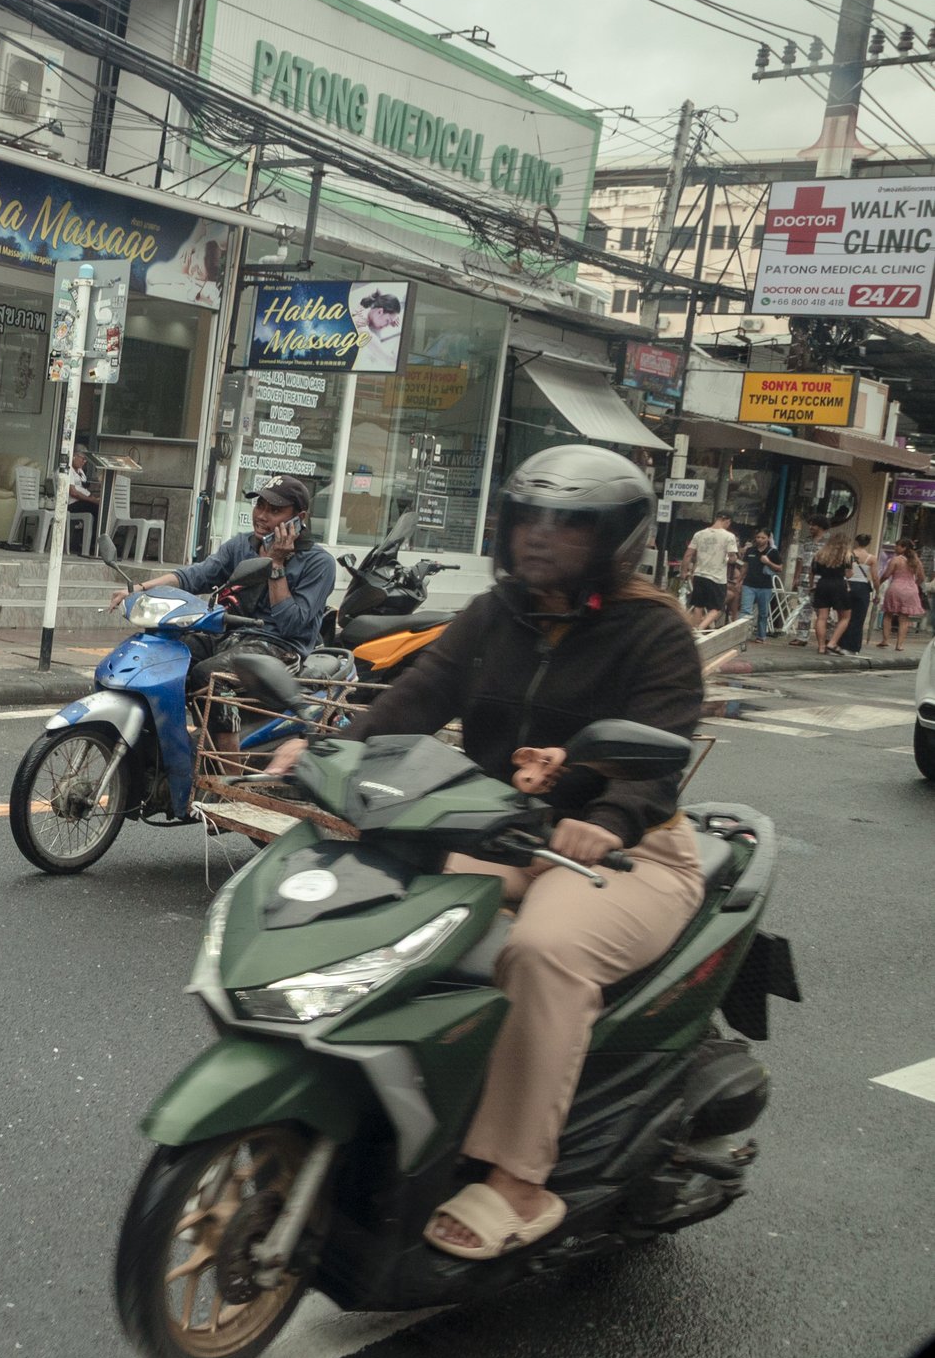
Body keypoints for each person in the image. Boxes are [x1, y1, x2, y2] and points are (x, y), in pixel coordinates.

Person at [268, 446, 705, 1261]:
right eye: (530, 519)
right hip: (504, 829)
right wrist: (329, 753)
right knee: (385, 903)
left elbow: (660, 754)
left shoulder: (654, 632)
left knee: (543, 949)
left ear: (612, 539)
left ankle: (518, 1179)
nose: (541, 538)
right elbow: (419, 694)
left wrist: (609, 815)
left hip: (629, 853)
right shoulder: (497, 611)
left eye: (568, 525)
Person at [120, 474, 336, 661]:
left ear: (298, 518)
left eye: (275, 510)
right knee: (164, 655)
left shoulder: (319, 563)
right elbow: (196, 576)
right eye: (260, 505)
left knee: (206, 674)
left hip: (279, 648)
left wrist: (276, 563)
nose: (261, 516)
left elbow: (291, 624)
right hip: (231, 635)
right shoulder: (243, 545)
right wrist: (141, 588)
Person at [679, 511, 737, 631]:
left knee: (698, 605)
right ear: (727, 520)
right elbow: (732, 558)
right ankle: (700, 628)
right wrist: (732, 558)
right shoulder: (729, 536)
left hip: (699, 575)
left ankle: (693, 631)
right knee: (717, 607)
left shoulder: (699, 534)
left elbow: (688, 555)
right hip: (717, 577)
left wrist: (683, 572)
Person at [809, 532, 852, 655]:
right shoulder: (847, 555)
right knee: (845, 616)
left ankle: (821, 646)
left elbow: (812, 572)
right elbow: (848, 574)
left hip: (822, 584)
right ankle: (832, 643)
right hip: (838, 584)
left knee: (822, 617)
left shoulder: (820, 554)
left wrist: (812, 585)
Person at [880, 539, 926, 651]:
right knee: (904, 619)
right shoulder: (916, 561)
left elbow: (887, 574)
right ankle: (899, 645)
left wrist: (879, 582)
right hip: (910, 590)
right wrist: (914, 584)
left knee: (888, 614)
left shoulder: (896, 560)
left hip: (895, 587)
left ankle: (885, 640)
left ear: (904, 547)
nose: (895, 548)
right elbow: (922, 577)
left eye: (897, 546)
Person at [738, 527, 781, 641]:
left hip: (765, 586)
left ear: (768, 538)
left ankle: (761, 635)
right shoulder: (750, 550)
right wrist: (740, 580)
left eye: (763, 537)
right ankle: (741, 635)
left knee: (763, 612)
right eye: (758, 537)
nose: (760, 540)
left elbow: (779, 568)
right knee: (745, 610)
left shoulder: (773, 552)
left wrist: (768, 562)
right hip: (749, 584)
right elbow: (745, 566)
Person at [843, 540, 877, 655]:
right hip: (862, 587)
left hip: (848, 585)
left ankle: (841, 643)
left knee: (844, 617)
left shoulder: (848, 554)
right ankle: (854, 647)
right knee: (859, 618)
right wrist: (878, 592)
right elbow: (875, 577)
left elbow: (844, 571)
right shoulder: (871, 558)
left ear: (856, 542)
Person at [66, 443, 102, 553]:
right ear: (74, 456)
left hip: (81, 502)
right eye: (83, 459)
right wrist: (93, 501)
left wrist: (96, 498)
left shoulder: (81, 472)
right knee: (95, 508)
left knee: (101, 508)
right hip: (71, 504)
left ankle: (94, 542)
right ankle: (92, 545)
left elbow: (84, 490)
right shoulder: (67, 470)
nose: (84, 462)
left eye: (86, 460)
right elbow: (73, 492)